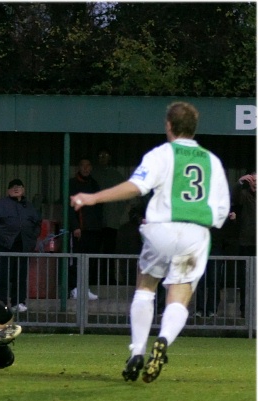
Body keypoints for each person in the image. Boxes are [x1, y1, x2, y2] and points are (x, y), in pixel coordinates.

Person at [71, 101, 230, 383]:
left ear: (168, 125)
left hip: (161, 228)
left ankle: (137, 351)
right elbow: (220, 211)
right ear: (194, 128)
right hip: (195, 233)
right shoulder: (212, 161)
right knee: (179, 297)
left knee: (145, 286)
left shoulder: (162, 154)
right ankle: (164, 340)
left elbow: (136, 186)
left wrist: (92, 197)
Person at [0, 178, 42, 312]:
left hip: (23, 246)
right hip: (4, 245)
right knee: (2, 275)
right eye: (13, 187)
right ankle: (1, 303)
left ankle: (18, 302)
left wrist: (33, 236)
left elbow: (38, 223)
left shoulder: (30, 206)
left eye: (19, 186)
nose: (16, 189)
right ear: (8, 191)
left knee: (20, 276)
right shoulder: (0, 205)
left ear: (23, 190)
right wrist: (0, 229)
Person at [68, 157, 103, 300]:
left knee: (90, 261)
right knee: (76, 260)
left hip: (93, 230)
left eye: (88, 165)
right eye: (83, 165)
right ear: (78, 167)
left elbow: (99, 207)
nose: (86, 168)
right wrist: (75, 226)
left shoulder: (94, 184)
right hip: (79, 230)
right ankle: (74, 289)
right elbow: (69, 208)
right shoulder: (72, 183)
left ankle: (85, 288)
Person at [233, 172, 255, 318]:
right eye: (254, 180)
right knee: (245, 279)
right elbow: (234, 198)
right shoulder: (245, 195)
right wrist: (239, 182)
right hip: (246, 242)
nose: (256, 183)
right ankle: (245, 311)